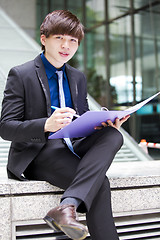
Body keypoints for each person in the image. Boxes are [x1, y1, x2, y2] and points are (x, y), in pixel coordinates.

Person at [0, 10, 129, 240]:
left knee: (113, 135)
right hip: (39, 153)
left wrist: (102, 124)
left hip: (73, 145)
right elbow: (6, 127)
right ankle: (67, 208)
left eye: (73, 40)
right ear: (44, 39)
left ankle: (66, 208)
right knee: (100, 184)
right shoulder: (21, 74)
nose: (66, 45)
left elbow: (83, 117)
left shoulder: (77, 77)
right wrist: (46, 125)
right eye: (59, 37)